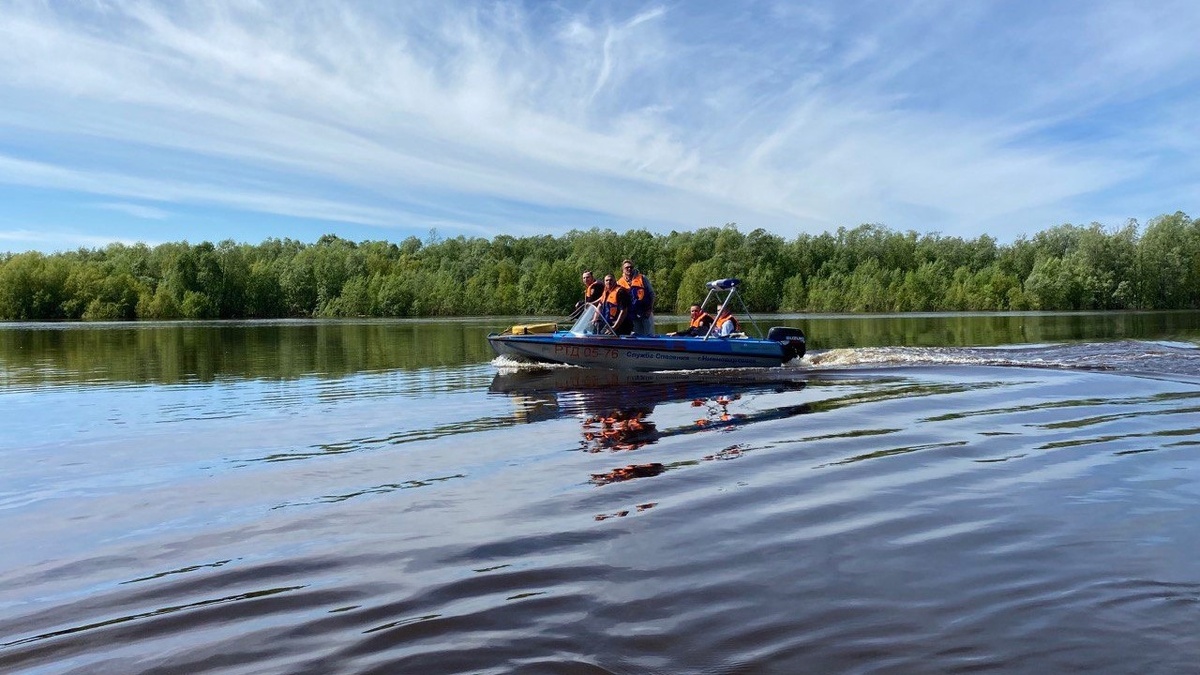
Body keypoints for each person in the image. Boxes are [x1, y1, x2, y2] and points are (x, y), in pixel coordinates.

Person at [617, 259, 655, 336]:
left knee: (649, 335)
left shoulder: (642, 278)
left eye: (631, 267)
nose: (629, 269)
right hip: (631, 316)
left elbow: (652, 294)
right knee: (636, 336)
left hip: (645, 313)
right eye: (627, 267)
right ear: (623, 270)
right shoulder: (619, 283)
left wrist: (650, 309)